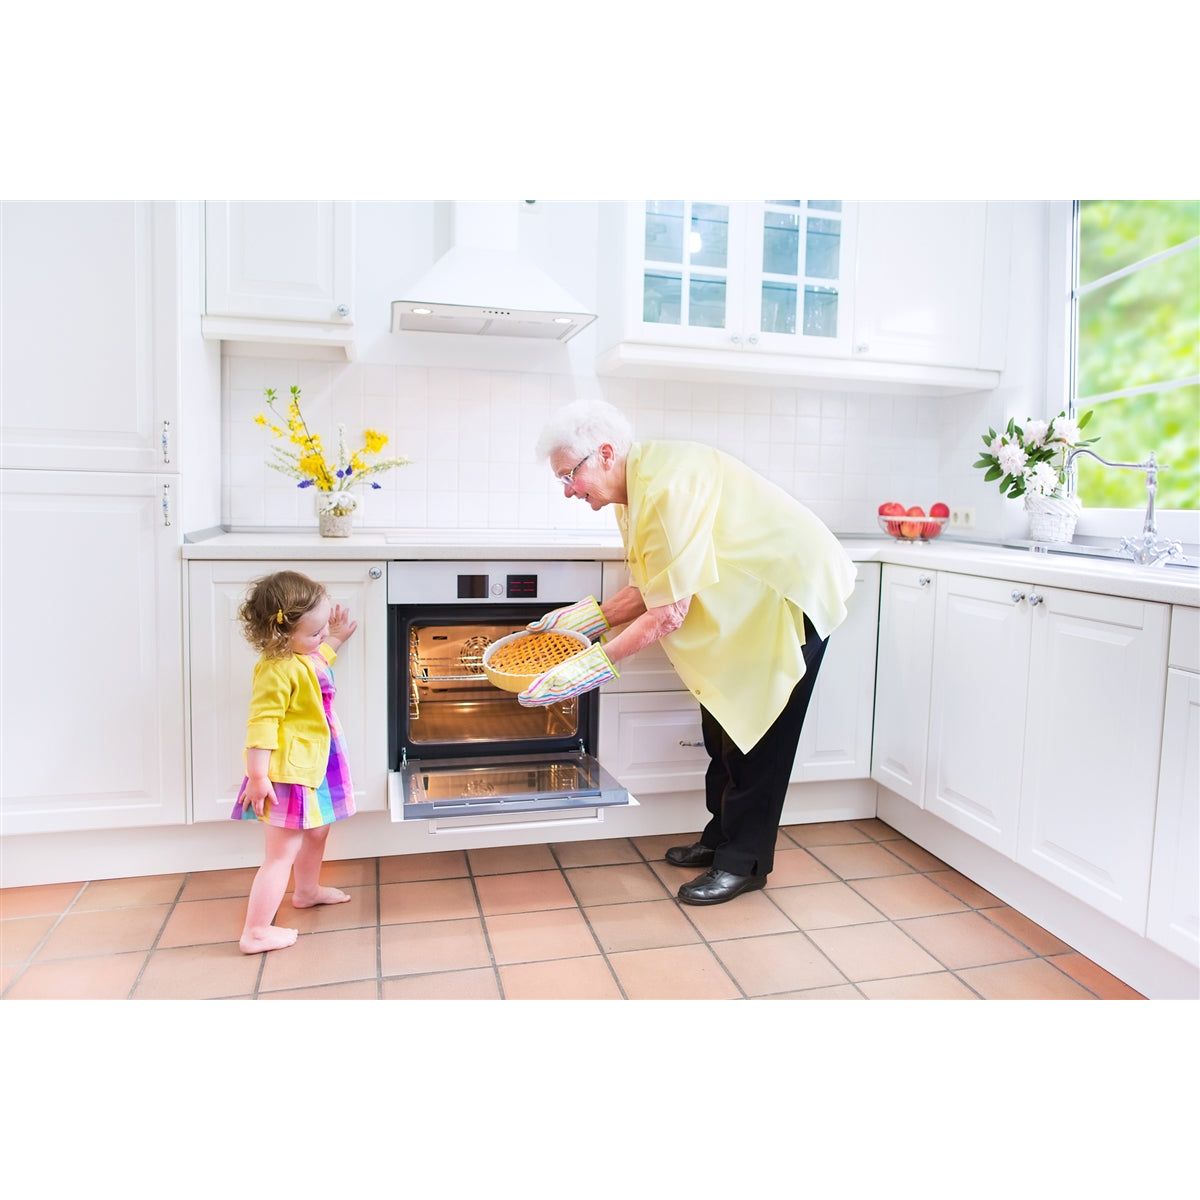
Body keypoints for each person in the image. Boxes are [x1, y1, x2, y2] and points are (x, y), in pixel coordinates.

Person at [520, 399, 856, 905]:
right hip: (744, 606)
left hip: (787, 595)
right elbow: (653, 586)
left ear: (605, 454)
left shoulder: (668, 485)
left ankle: (744, 863)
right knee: (721, 725)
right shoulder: (634, 493)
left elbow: (668, 612)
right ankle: (721, 838)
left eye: (570, 475)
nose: (568, 490)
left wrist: (586, 667)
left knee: (758, 736)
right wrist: (583, 620)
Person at [232, 570, 358, 952]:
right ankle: (255, 930)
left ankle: (306, 891)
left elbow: (318, 660)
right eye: (314, 632)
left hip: (314, 765)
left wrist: (333, 636)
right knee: (280, 853)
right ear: (282, 635)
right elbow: (262, 724)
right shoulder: (275, 670)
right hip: (285, 773)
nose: (320, 638)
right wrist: (257, 776)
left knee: (318, 831)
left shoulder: (300, 656)